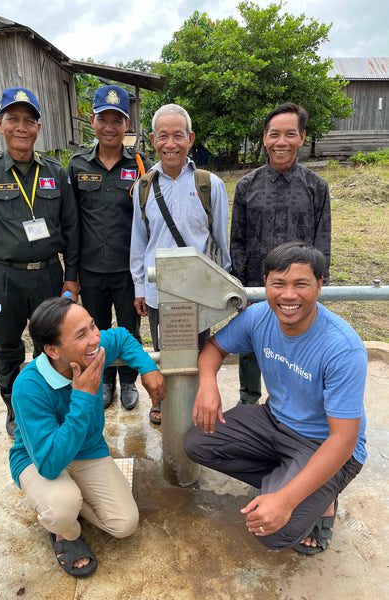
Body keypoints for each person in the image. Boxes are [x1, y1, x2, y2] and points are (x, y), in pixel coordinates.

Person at [185, 243, 366, 555]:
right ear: (265, 283)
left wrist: (285, 500)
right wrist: (207, 383)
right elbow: (214, 348)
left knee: (274, 533)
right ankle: (302, 485)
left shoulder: (342, 349)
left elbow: (343, 440)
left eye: (301, 284)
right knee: (197, 442)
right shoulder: (259, 317)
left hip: (323, 443)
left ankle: (318, 497)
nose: (288, 296)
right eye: (278, 284)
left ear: (320, 285)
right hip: (274, 421)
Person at [9, 296, 165, 577]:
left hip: (87, 450)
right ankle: (64, 532)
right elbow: (50, 463)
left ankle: (71, 503)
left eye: (92, 326)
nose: (95, 339)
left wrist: (148, 368)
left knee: (124, 524)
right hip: (39, 459)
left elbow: (122, 336)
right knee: (61, 509)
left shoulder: (93, 349)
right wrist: (82, 395)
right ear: (52, 350)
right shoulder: (28, 387)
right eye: (82, 334)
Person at [0, 87, 79, 437]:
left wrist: (71, 278)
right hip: (4, 280)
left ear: (38, 128)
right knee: (7, 347)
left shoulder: (56, 173)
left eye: (29, 120)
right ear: (0, 124)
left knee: (53, 346)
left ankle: (52, 404)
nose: (21, 127)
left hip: (48, 274)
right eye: (13, 119)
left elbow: (71, 228)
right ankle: (16, 410)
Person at [130, 103, 231, 425]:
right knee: (165, 351)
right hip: (160, 290)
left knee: (200, 351)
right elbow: (138, 242)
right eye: (163, 136)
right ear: (152, 139)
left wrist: (222, 285)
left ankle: (196, 403)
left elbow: (220, 243)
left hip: (199, 290)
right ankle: (164, 401)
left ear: (190, 138)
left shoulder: (208, 184)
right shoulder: (143, 187)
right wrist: (140, 287)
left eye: (177, 135)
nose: (170, 143)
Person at [230, 102, 331, 405]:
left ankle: (294, 403)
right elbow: (236, 238)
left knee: (297, 344)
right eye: (275, 134)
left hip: (298, 287)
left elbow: (322, 240)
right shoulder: (247, 186)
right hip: (256, 284)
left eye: (290, 134)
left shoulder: (317, 187)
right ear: (264, 138)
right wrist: (241, 285)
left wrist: (316, 284)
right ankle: (248, 399)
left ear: (301, 137)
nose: (281, 142)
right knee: (251, 345)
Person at [68, 85, 151, 411]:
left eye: (117, 120)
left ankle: (129, 380)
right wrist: (71, 274)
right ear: (93, 120)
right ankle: (105, 381)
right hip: (90, 271)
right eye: (104, 118)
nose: (110, 127)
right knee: (95, 333)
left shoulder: (141, 165)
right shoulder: (77, 167)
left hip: (128, 271)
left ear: (126, 124)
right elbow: (71, 224)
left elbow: (148, 222)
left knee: (130, 330)